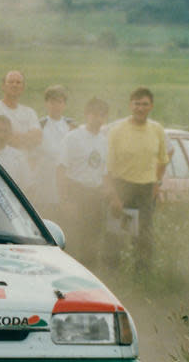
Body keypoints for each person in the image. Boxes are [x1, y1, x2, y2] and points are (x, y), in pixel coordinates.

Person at [106, 86, 169, 271]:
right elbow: (108, 167)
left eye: (144, 104)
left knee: (144, 236)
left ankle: (141, 275)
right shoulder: (117, 130)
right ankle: (112, 275)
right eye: (137, 104)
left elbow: (163, 160)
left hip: (146, 190)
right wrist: (114, 196)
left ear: (151, 106)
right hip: (122, 187)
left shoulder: (157, 130)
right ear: (130, 106)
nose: (140, 108)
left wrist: (157, 183)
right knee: (116, 234)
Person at [57, 97, 109, 266]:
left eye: (102, 115)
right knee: (74, 238)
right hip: (76, 192)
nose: (98, 119)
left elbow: (104, 173)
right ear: (87, 114)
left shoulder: (104, 141)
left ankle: (91, 272)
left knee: (92, 239)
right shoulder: (72, 138)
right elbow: (61, 170)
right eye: (94, 114)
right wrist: (65, 200)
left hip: (95, 195)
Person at [36, 84, 77, 213]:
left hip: (66, 176)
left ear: (64, 105)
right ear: (46, 104)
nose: (56, 106)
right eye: (52, 102)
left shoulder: (71, 125)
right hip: (45, 177)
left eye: (59, 102)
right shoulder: (40, 125)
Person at [0, 70, 42, 152]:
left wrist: (12, 136)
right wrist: (26, 137)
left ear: (23, 88)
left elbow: (37, 139)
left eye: (18, 82)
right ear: (3, 86)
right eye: (11, 82)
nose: (15, 85)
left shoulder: (30, 112)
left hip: (24, 162)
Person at [0, 115, 34, 196]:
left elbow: (28, 187)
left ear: (10, 133)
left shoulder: (18, 156)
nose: (3, 134)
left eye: (6, 131)